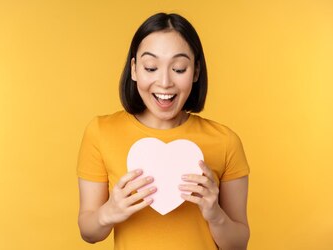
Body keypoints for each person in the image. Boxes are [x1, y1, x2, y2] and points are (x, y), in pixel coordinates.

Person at [77, 12, 250, 250]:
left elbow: (239, 245)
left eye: (179, 69)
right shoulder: (100, 132)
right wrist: (108, 212)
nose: (165, 82)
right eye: (151, 67)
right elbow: (88, 231)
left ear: (196, 72)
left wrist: (215, 214)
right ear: (135, 69)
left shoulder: (226, 141)